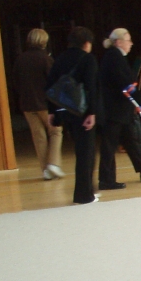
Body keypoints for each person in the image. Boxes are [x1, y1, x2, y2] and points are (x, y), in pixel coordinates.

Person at [97, 28, 141, 189]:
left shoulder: (116, 56)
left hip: (119, 109)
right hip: (113, 110)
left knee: (130, 140)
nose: (131, 43)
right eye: (128, 40)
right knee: (109, 146)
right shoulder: (114, 58)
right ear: (119, 42)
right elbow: (125, 83)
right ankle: (106, 180)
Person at [47, 26, 98, 205]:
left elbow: (51, 86)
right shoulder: (88, 59)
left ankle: (87, 191)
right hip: (82, 112)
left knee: (81, 151)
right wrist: (92, 112)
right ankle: (84, 195)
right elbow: (92, 87)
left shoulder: (60, 59)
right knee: (86, 153)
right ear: (86, 43)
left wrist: (51, 111)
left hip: (64, 110)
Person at [14, 28, 64, 181]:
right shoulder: (46, 59)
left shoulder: (20, 59)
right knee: (55, 132)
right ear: (44, 41)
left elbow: (16, 83)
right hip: (45, 104)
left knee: (39, 137)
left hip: (27, 105)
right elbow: (54, 82)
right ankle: (53, 164)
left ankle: (45, 170)